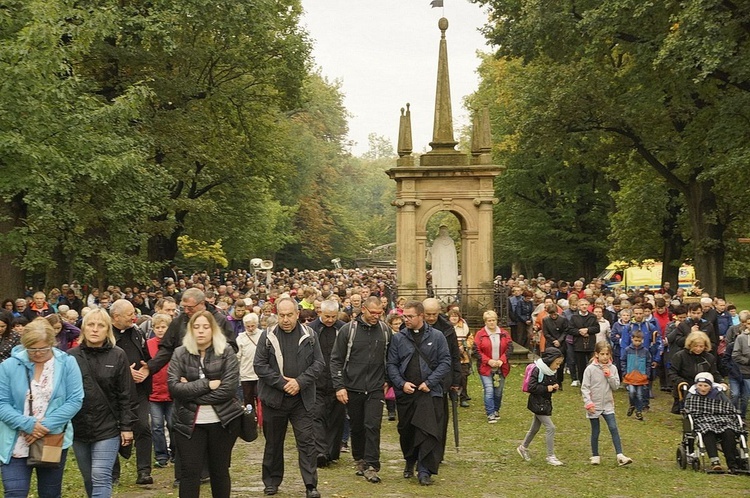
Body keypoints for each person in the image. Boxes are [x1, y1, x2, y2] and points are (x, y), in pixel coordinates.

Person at [0, 319, 84, 498]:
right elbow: (2, 403)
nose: (38, 353)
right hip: (15, 439)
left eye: (43, 349)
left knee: (50, 493)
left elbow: (75, 400)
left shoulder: (68, 363)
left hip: (52, 437)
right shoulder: (8, 366)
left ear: (53, 343)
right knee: (14, 493)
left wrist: (42, 427)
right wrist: (28, 425)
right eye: (32, 349)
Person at [168, 310, 243, 498]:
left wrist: (191, 392)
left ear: (213, 329)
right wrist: (207, 384)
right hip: (188, 424)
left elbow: (229, 389)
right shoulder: (180, 353)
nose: (201, 331)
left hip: (222, 422)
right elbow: (174, 388)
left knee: (219, 471)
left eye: (206, 327)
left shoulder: (226, 352)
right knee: (190, 472)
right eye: (196, 327)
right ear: (190, 330)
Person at [254, 298, 324, 498]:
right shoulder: (267, 336)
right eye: (281, 315)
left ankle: (311, 485)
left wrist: (300, 382)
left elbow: (319, 364)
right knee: (273, 443)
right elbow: (259, 366)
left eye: (289, 315)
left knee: (307, 443)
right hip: (274, 399)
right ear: (277, 315)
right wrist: (282, 383)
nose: (285, 319)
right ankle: (271, 481)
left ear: (297, 314)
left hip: (302, 400)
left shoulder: (310, 335)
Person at [68, 309, 134, 498]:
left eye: (101, 325)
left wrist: (127, 427)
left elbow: (126, 395)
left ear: (108, 330)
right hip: (79, 427)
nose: (95, 329)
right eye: (90, 324)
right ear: (83, 328)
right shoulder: (70, 356)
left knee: (100, 475)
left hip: (108, 427)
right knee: (89, 478)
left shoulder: (118, 355)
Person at [386, 300, 451, 486]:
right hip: (406, 393)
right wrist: (401, 383)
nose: (405, 320)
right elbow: (391, 364)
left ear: (421, 316)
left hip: (429, 392)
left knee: (428, 430)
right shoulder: (398, 338)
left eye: (410, 316)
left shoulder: (437, 336)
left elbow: (445, 361)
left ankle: (424, 470)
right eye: (403, 316)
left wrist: (430, 382)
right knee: (406, 430)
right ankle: (409, 460)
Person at [329, 297, 389, 483]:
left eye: (380, 313)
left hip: (375, 387)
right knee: (357, 426)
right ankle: (360, 459)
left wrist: (387, 379)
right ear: (363, 309)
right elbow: (336, 359)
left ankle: (372, 464)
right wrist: (339, 386)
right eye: (373, 313)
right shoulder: (349, 331)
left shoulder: (385, 331)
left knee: (373, 425)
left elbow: (391, 357)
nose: (376, 317)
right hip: (352, 386)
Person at [109, 299, 154, 485]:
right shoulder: (106, 335)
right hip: (114, 392)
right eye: (129, 314)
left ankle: (144, 472)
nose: (133, 317)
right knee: (112, 431)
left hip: (139, 390)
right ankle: (113, 474)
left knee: (143, 426)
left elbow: (147, 357)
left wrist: (146, 369)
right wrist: (125, 371)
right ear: (116, 316)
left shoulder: (136, 332)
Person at [581, 341, 632, 466]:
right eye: (602, 354)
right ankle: (595, 455)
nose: (604, 357)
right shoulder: (590, 369)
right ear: (596, 354)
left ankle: (620, 455)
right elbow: (585, 388)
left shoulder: (613, 368)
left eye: (607, 354)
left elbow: (615, 386)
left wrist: (609, 376)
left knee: (613, 428)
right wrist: (588, 403)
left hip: (608, 404)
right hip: (594, 405)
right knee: (596, 430)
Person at [308, 300, 346, 468]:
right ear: (320, 314)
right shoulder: (311, 329)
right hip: (317, 381)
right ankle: (319, 451)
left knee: (336, 418)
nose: (330, 320)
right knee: (317, 416)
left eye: (333, 316)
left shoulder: (344, 329)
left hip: (338, 381)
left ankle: (332, 451)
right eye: (327, 316)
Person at [683, 372, 742, 472]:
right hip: (702, 419)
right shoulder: (691, 395)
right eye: (700, 385)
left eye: (706, 386)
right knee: (708, 431)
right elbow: (690, 410)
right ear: (696, 385)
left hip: (722, 419)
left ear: (710, 386)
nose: (703, 388)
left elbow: (729, 408)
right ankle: (715, 462)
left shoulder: (719, 394)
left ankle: (732, 464)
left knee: (729, 432)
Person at [516, 347, 564, 466]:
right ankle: (550, 456)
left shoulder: (551, 371)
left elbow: (550, 385)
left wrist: (554, 388)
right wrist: (546, 388)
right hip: (537, 403)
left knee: (535, 428)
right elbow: (532, 387)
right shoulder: (538, 370)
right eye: (557, 364)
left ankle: (523, 447)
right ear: (550, 361)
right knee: (551, 428)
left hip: (544, 403)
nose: (558, 367)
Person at [473, 310, 512, 423]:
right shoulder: (480, 334)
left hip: (501, 367)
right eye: (489, 321)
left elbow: (510, 348)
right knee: (489, 389)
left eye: (493, 320)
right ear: (485, 322)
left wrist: (502, 360)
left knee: (498, 391)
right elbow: (476, 351)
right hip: (485, 367)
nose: (491, 323)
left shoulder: (504, 333)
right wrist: (488, 361)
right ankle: (490, 413)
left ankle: (496, 410)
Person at [145, 313, 174, 468]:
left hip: (171, 392)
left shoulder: (174, 344)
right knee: (156, 426)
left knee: (172, 424)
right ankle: (161, 455)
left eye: (164, 327)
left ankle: (175, 452)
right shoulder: (148, 344)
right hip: (154, 392)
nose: (160, 330)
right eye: (157, 327)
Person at [620, 330, 651, 421]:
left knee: (640, 395)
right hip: (630, 376)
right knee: (632, 392)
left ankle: (639, 411)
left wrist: (647, 374)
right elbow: (623, 361)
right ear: (632, 339)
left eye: (639, 340)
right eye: (635, 340)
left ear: (642, 340)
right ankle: (632, 405)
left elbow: (648, 363)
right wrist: (625, 372)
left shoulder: (645, 351)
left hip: (641, 377)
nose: (637, 342)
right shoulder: (627, 350)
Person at [236, 312, 263, 413]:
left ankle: (262, 420)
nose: (251, 328)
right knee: (248, 400)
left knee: (261, 399)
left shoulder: (262, 335)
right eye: (248, 326)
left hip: (260, 374)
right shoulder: (240, 338)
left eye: (253, 326)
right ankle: (250, 420)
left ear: (257, 324)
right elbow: (237, 357)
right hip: (246, 374)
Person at [569, 298, 599, 388]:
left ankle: (593, 383)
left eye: (586, 304)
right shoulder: (574, 317)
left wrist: (588, 330)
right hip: (579, 345)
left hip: (590, 344)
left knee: (592, 365)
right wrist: (579, 331)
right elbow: (570, 329)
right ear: (578, 306)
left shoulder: (592, 316)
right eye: (582, 305)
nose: (584, 306)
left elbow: (597, 328)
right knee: (580, 366)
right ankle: (583, 383)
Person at [448, 308, 473, 408]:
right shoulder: (446, 328)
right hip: (450, 357)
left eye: (456, 316)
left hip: (463, 357)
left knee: (463, 377)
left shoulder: (464, 327)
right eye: (452, 316)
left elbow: (470, 339)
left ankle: (463, 397)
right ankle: (453, 396)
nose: (454, 318)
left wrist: (464, 346)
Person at [541, 304, 568, 388]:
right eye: (551, 314)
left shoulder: (563, 319)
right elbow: (545, 333)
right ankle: (550, 381)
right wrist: (553, 341)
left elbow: (565, 331)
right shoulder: (545, 320)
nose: (553, 316)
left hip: (561, 343)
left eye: (555, 314)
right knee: (550, 363)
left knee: (560, 364)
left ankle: (559, 381)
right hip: (550, 344)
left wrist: (559, 340)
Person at [729, 312, 750, 418]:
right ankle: (732, 415)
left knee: (746, 397)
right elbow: (735, 355)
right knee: (735, 395)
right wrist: (747, 361)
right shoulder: (741, 338)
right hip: (738, 371)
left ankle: (741, 416)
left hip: (749, 375)